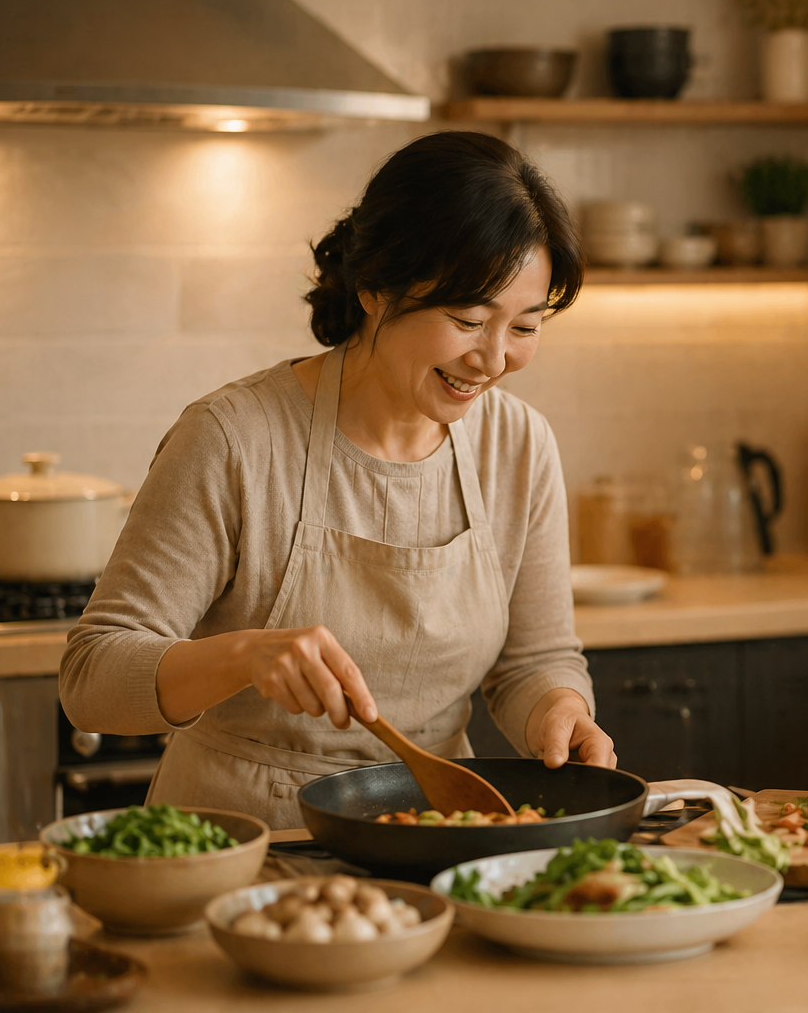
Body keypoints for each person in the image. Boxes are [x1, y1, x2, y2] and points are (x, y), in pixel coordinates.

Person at [61, 131, 615, 828]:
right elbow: (92, 679)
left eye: (526, 327)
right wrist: (243, 654)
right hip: (243, 850)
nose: (494, 359)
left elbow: (535, 659)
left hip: (435, 840)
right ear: (376, 287)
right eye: (468, 320)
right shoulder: (234, 438)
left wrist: (561, 711)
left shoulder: (519, 445)